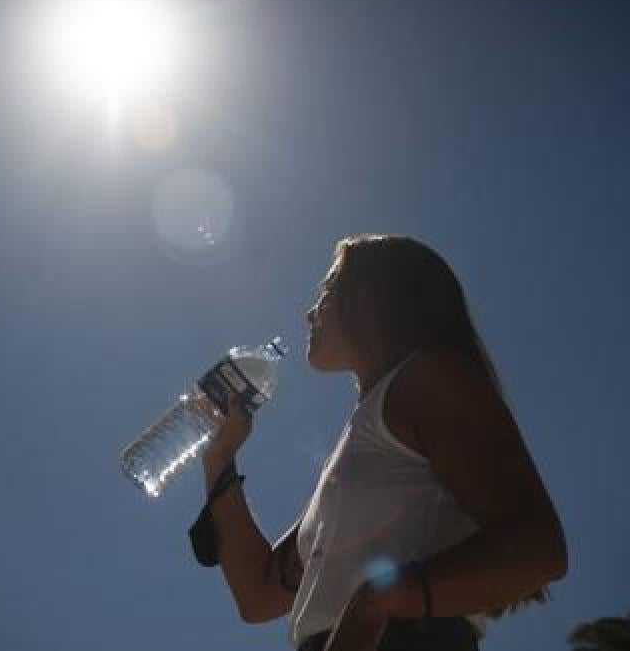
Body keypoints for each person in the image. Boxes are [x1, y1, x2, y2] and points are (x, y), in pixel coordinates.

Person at [194, 234, 568, 651]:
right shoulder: (359, 445)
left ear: (373, 298)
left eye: (328, 290)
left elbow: (539, 548)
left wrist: (378, 603)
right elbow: (259, 595)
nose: (309, 312)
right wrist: (219, 456)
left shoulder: (428, 380)